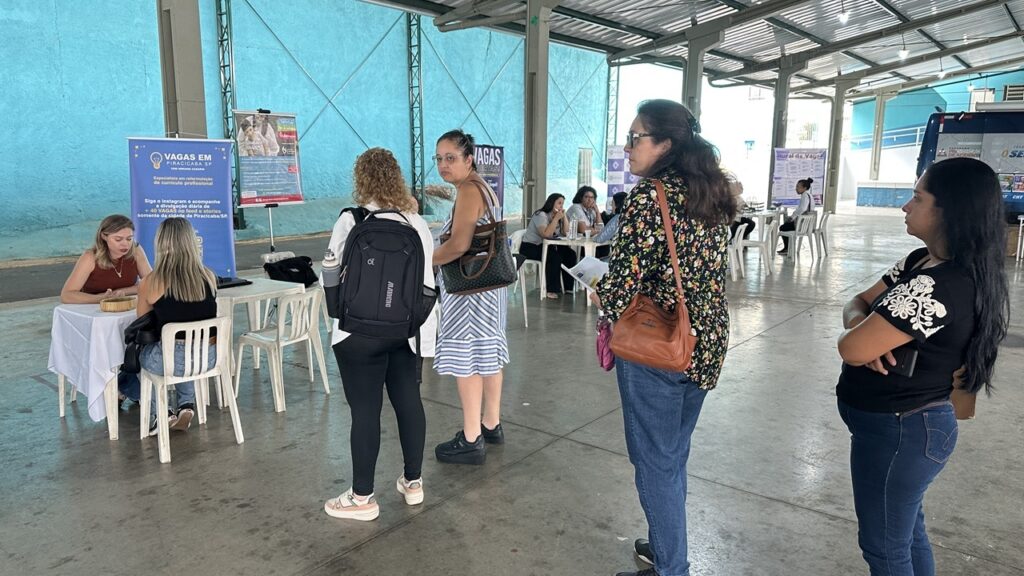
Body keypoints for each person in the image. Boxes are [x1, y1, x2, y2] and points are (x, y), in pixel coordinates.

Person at [836, 157, 1008, 576]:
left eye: (917, 198)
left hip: (903, 431)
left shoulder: (941, 285)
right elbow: (856, 302)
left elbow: (850, 349)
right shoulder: (919, 262)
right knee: (906, 536)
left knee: (884, 548)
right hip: (897, 428)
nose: (905, 206)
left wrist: (863, 336)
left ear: (950, 211)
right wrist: (864, 325)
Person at [593, 99, 736, 576]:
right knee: (672, 455)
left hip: (658, 346)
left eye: (635, 138)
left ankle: (672, 567)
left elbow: (622, 284)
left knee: (655, 462)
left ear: (665, 144)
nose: (627, 147)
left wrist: (598, 290)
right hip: (705, 341)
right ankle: (664, 546)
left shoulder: (649, 196)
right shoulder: (709, 191)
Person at [321, 148, 437, 522]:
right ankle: (413, 483)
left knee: (365, 411)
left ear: (361, 179)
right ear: (397, 178)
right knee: (409, 401)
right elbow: (427, 284)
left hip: (357, 333)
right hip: (404, 333)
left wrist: (339, 312)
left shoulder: (350, 219)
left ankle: (362, 498)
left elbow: (330, 274)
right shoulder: (416, 223)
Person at [431, 129, 509, 465]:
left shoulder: (467, 190)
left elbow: (459, 245)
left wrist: (425, 259)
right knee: (488, 356)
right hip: (489, 288)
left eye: (451, 158)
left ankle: (471, 438)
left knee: (468, 361)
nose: (443, 165)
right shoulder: (483, 187)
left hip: (470, 291)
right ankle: (491, 424)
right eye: (439, 159)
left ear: (469, 159)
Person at [136, 217, 219, 436]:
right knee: (184, 348)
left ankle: (159, 414)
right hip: (208, 357)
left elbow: (143, 322)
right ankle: (186, 404)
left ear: (160, 243)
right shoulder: (209, 276)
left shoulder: (151, 281)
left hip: (171, 360)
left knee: (144, 356)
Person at [61, 214, 153, 403]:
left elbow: (151, 283)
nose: (125, 244)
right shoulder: (90, 257)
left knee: (143, 337)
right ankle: (127, 388)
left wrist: (124, 291)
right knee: (122, 343)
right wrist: (99, 298)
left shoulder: (136, 251)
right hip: (96, 318)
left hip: (124, 314)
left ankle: (124, 386)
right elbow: (67, 294)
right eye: (118, 239)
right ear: (104, 236)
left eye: (129, 238)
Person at [519, 193, 579, 299]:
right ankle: (551, 289)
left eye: (562, 204)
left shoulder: (557, 216)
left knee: (570, 254)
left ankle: (568, 286)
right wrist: (555, 219)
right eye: (559, 203)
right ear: (552, 203)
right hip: (531, 247)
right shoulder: (540, 215)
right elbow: (546, 234)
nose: (561, 206)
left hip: (548, 246)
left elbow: (566, 233)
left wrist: (564, 217)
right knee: (554, 257)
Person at [778, 177, 815, 254]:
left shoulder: (805, 196)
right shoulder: (809, 195)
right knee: (787, 225)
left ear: (804, 188)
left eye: (798, 187)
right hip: (809, 223)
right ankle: (789, 247)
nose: (796, 189)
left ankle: (787, 248)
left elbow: (802, 209)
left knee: (783, 227)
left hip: (803, 225)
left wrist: (792, 217)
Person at [592, 191, 627, 256]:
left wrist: (594, 237)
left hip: (621, 255)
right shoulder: (633, 217)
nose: (611, 206)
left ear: (617, 205)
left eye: (612, 203)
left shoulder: (617, 219)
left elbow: (600, 239)